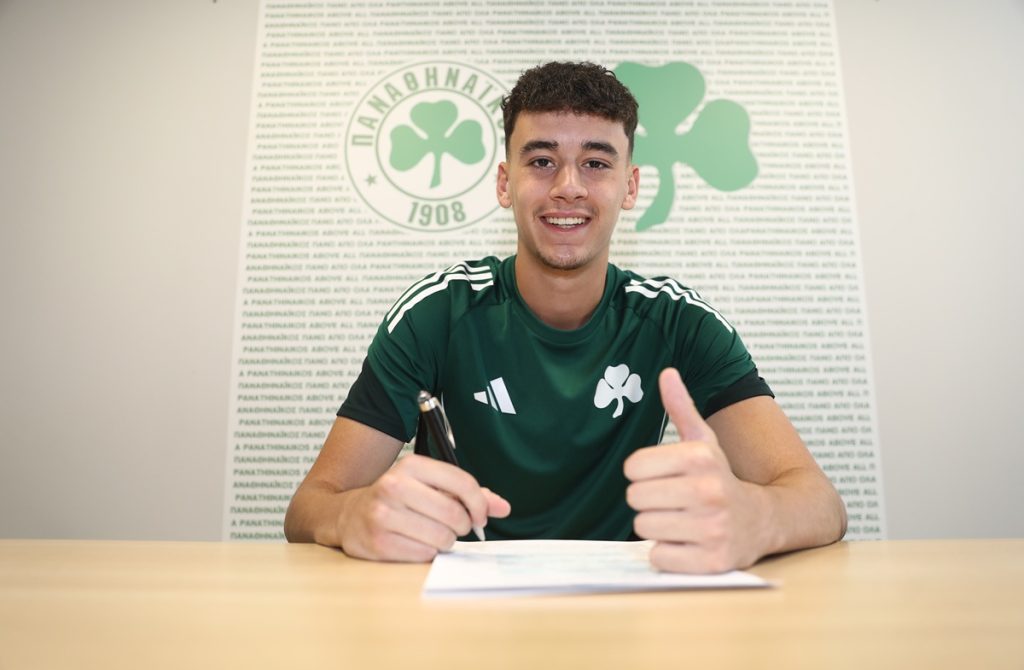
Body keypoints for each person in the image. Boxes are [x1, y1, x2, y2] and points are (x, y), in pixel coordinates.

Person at [284, 61, 847, 573]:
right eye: (541, 161)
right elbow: (310, 505)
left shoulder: (679, 320)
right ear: (505, 183)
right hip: (465, 605)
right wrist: (354, 515)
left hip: (626, 606)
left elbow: (820, 502)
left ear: (630, 186)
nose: (568, 187)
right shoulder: (436, 312)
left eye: (596, 163)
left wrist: (756, 517)